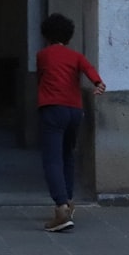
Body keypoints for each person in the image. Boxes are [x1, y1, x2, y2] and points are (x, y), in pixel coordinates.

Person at [36, 12, 106, 232]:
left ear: (46, 35)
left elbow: (41, 78)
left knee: (52, 159)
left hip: (52, 109)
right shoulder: (75, 56)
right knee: (67, 155)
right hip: (75, 110)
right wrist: (98, 83)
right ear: (69, 36)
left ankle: (61, 208)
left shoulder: (43, 55)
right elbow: (89, 69)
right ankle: (68, 200)